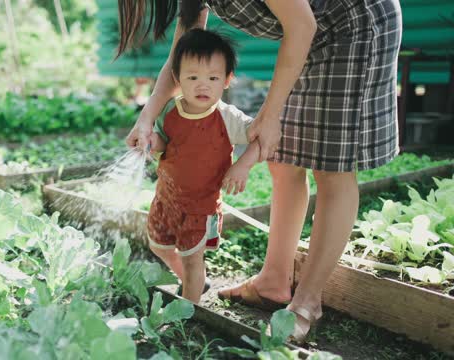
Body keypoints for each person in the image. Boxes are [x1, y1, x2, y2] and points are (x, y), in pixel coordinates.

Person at [117, 0, 402, 341]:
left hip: (352, 23)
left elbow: (301, 24)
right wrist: (148, 116)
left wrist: (269, 114)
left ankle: (307, 303)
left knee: (333, 168)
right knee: (282, 160)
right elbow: (183, 53)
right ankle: (273, 281)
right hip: (309, 31)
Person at [146, 28, 259, 304]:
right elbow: (164, 141)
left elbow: (261, 139)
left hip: (200, 206)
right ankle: (192, 281)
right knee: (158, 245)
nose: (203, 85)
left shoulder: (226, 117)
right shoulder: (171, 110)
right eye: (193, 77)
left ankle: (190, 311)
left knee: (193, 259)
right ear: (177, 79)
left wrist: (242, 166)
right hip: (166, 198)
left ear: (227, 80)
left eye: (213, 78)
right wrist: (151, 143)